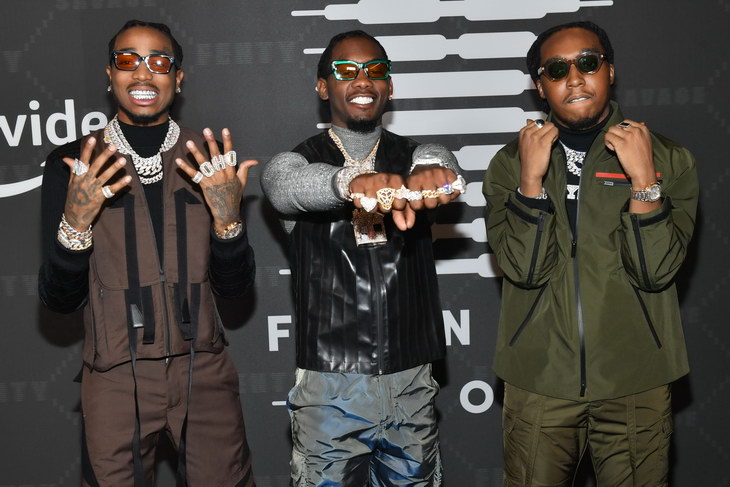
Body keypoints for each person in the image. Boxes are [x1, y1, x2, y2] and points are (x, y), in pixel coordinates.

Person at [38, 20, 257, 486]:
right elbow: (59, 299)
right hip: (114, 378)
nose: (143, 73)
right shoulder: (74, 165)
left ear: (178, 78)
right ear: (109, 75)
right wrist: (75, 222)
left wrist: (228, 222)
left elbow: (237, 289)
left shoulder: (210, 160)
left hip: (205, 371)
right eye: (127, 60)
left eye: (159, 61)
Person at [483, 21, 698, 486]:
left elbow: (656, 271)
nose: (575, 78)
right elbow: (522, 269)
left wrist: (644, 182)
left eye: (588, 62)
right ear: (540, 86)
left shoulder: (668, 158)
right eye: (557, 69)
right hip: (539, 381)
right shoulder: (510, 164)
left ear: (610, 71)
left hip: (636, 382)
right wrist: (530, 184)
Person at [261, 30, 465, 486]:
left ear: (389, 86)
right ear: (323, 87)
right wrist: (349, 183)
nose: (362, 80)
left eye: (375, 70)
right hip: (330, 385)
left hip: (411, 380)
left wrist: (432, 172)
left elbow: (441, 165)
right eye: (346, 70)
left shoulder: (414, 157)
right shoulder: (298, 161)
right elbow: (281, 185)